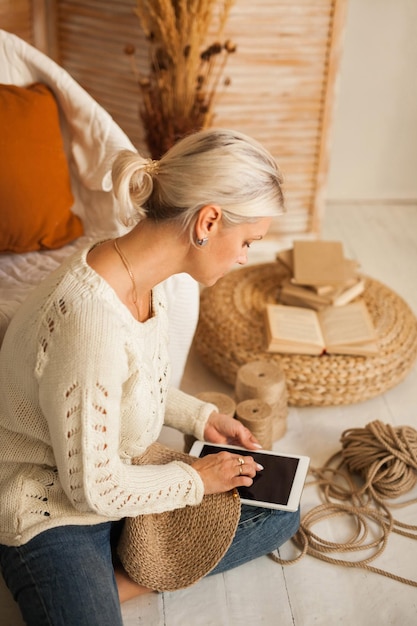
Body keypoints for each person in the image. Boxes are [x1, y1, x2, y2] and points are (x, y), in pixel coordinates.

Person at [0, 128, 299, 625]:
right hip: (55, 503)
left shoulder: (145, 278)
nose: (246, 256)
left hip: (123, 470)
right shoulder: (90, 317)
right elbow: (90, 492)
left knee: (279, 512)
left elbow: (126, 385)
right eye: (247, 241)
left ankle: (112, 582)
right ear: (208, 220)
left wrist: (201, 418)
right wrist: (193, 480)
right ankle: (79, 586)